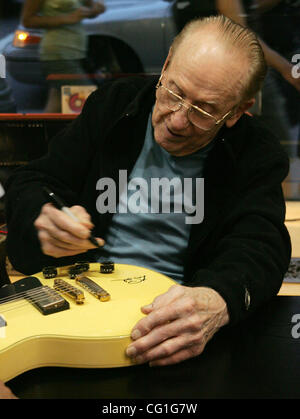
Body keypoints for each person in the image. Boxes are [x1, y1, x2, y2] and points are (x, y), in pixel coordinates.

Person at [5, 16, 291, 367]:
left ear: (236, 112)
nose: (177, 120)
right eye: (173, 92)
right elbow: (34, 181)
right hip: (78, 303)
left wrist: (219, 296)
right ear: (167, 63)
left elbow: (261, 245)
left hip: (173, 324)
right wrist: (45, 215)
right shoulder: (114, 104)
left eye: (204, 111)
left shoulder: (256, 153)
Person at [21, 0, 105, 113]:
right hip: (57, 54)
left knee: (55, 108)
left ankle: (41, 130)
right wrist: (67, 18)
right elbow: (27, 20)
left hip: (77, 53)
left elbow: (90, 7)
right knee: (89, 103)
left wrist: (95, 8)